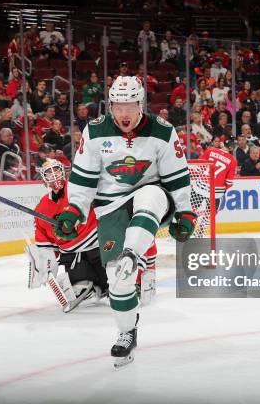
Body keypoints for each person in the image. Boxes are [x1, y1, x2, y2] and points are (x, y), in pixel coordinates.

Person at [59, 76, 195, 367]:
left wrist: (185, 211)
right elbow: (83, 179)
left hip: (153, 196)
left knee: (148, 196)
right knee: (117, 278)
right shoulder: (95, 132)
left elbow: (177, 175)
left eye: (130, 106)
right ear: (110, 105)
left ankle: (133, 254)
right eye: (118, 106)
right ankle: (126, 332)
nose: (124, 113)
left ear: (141, 105)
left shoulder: (162, 131)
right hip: (111, 207)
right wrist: (74, 209)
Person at [28, 159, 109, 312]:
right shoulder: (42, 207)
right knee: (81, 284)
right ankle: (89, 286)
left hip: (96, 244)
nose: (54, 176)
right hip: (71, 254)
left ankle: (107, 285)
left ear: (63, 172)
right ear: (43, 179)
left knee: (111, 281)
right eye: (48, 173)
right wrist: (44, 260)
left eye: (56, 171)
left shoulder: (77, 190)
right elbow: (44, 239)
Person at [198, 137, 236, 209]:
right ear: (232, 148)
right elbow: (229, 182)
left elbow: (198, 166)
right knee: (210, 216)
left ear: (222, 144)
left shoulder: (210, 150)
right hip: (217, 191)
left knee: (191, 211)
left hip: (201, 186)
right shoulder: (233, 161)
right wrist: (224, 189)